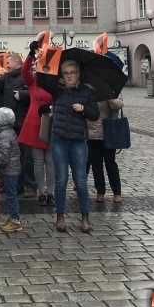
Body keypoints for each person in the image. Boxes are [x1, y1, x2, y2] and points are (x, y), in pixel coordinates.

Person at [39, 60, 99, 234]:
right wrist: (43, 58)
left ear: (78, 74)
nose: (70, 75)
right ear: (62, 76)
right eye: (66, 73)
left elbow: (95, 115)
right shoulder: (57, 91)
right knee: (61, 180)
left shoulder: (87, 92)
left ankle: (85, 217)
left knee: (80, 180)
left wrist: (84, 108)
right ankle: (60, 216)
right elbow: (41, 80)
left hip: (79, 141)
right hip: (59, 140)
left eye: (73, 72)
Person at [0, 53, 33, 196]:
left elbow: (34, 92)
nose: (6, 64)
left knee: (25, 157)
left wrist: (22, 94)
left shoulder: (25, 76)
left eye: (9, 62)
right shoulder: (7, 77)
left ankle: (29, 185)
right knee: (10, 157)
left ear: (17, 63)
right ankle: (12, 185)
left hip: (22, 122)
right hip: (9, 125)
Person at [21, 42, 54, 206]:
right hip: (34, 124)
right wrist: (31, 54)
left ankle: (51, 192)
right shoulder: (33, 83)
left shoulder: (55, 83)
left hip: (50, 122)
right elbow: (24, 71)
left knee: (50, 161)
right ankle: (41, 192)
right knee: (38, 161)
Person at [86, 95, 124, 204]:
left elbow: (119, 104)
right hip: (92, 133)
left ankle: (117, 192)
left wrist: (109, 97)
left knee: (110, 163)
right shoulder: (89, 89)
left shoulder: (112, 89)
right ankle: (100, 191)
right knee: (96, 164)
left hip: (109, 132)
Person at [0, 107, 22, 232]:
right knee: (11, 195)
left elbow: (4, 155)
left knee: (11, 196)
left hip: (10, 171)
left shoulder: (4, 135)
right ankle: (12, 217)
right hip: (11, 170)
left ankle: (15, 220)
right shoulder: (9, 131)